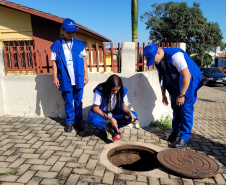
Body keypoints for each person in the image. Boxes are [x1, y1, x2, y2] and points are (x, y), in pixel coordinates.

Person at [143, 43, 203, 148]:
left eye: (153, 59)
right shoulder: (158, 61)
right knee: (176, 108)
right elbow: (161, 78)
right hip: (176, 83)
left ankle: (184, 138)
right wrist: (163, 95)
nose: (154, 62)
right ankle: (175, 133)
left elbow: (187, 76)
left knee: (185, 110)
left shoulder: (175, 56)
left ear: (158, 52)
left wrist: (182, 95)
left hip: (190, 82)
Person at [50, 18, 88, 132]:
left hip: (79, 77)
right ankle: (69, 122)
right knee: (68, 101)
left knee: (78, 101)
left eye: (72, 32)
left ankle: (79, 122)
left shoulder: (79, 44)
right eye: (68, 32)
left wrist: (86, 74)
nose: (70, 34)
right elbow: (54, 62)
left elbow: (85, 60)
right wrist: (55, 77)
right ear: (63, 30)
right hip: (65, 79)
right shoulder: (56, 45)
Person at [88, 74, 138, 140]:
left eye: (117, 90)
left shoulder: (122, 90)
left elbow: (123, 106)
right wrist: (110, 118)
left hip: (115, 112)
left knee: (133, 115)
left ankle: (112, 126)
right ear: (108, 87)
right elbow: (95, 109)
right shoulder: (100, 90)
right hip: (101, 112)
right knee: (96, 121)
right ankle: (102, 131)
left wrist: (131, 114)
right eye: (113, 90)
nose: (115, 92)